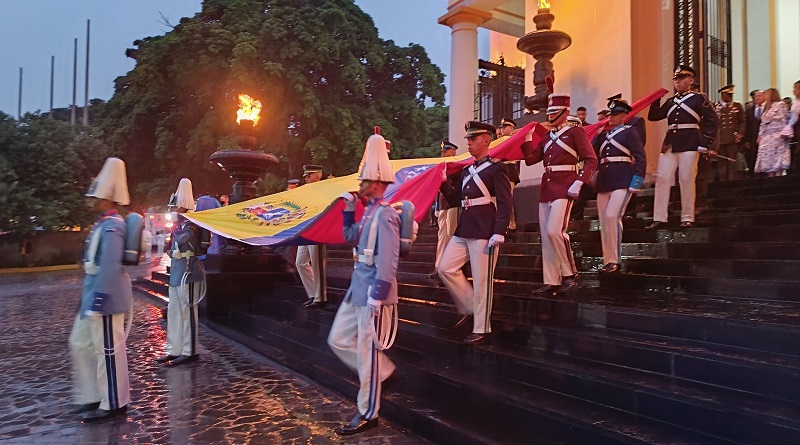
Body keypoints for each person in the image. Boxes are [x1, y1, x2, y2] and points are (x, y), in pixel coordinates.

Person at [328, 129, 399, 435]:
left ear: (377, 183)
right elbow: (349, 237)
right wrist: (347, 209)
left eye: (364, 181)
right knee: (338, 339)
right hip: (357, 286)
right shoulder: (369, 211)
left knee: (366, 352)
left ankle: (368, 412)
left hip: (372, 292)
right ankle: (382, 370)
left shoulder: (385, 215)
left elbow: (389, 260)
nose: (360, 185)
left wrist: (378, 294)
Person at [68, 157, 131, 422]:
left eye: (97, 196)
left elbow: (108, 267)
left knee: (107, 351)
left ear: (108, 198)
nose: (93, 200)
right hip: (92, 295)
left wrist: (99, 300)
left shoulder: (114, 225)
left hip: (105, 299)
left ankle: (114, 402)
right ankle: (92, 395)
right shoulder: (103, 223)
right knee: (80, 343)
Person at [438, 121, 512, 344]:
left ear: (487, 140)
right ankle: (470, 304)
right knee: (445, 268)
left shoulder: (497, 167)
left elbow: (506, 202)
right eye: (468, 139)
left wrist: (500, 230)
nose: (468, 142)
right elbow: (455, 200)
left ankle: (481, 327)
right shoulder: (466, 170)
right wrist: (443, 183)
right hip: (465, 227)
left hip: (485, 230)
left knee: (482, 281)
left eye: (473, 138)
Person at [522, 90, 597, 296]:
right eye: (549, 111)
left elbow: (591, 159)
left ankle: (570, 274)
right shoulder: (547, 136)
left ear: (565, 112)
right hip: (547, 187)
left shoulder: (575, 133)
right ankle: (551, 280)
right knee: (546, 236)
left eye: (554, 111)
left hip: (565, 185)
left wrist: (580, 181)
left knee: (556, 231)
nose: (549, 115)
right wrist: (526, 139)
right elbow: (530, 159)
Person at [647, 65, 718, 229]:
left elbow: (712, 121)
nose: (677, 82)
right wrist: (656, 98)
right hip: (670, 143)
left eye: (681, 78)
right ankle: (659, 217)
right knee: (662, 178)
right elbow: (654, 116)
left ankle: (687, 217)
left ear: (690, 80)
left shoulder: (699, 98)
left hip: (690, 142)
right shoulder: (671, 101)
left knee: (686, 179)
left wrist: (705, 143)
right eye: (675, 79)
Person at [156, 178, 206, 366]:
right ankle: (174, 349)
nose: (173, 210)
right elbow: (172, 246)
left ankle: (190, 350)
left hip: (189, 270)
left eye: (176, 206)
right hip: (177, 270)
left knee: (188, 312)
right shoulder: (179, 225)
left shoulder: (191, 224)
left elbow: (185, 239)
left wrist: (178, 223)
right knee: (175, 311)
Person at [593, 100, 646, 273]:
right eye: (610, 115)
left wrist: (637, 179)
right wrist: (596, 134)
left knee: (612, 216)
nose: (611, 118)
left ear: (624, 115)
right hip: (604, 180)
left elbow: (640, 156)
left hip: (623, 178)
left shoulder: (629, 132)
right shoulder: (602, 135)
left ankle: (615, 260)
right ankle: (607, 259)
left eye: (615, 114)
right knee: (604, 221)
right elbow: (592, 153)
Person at [296, 164, 328, 308]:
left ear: (318, 175)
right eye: (306, 176)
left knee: (317, 264)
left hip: (318, 229)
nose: (307, 179)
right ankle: (313, 294)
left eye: (309, 175)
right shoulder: (307, 190)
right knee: (300, 262)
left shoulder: (325, 189)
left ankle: (320, 297)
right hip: (307, 229)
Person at [433, 141, 460, 276]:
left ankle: (451, 265)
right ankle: (438, 266)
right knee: (442, 237)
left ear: (453, 151)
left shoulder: (457, 166)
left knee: (451, 234)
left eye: (446, 151)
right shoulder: (442, 166)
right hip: (443, 204)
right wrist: (437, 206)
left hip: (452, 203)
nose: (443, 153)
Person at [712, 85, 747, 181]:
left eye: (731, 95)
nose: (730, 97)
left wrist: (740, 134)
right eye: (728, 94)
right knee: (721, 162)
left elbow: (743, 121)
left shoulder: (737, 106)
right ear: (722, 95)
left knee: (732, 161)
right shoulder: (715, 106)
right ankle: (723, 182)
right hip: (720, 138)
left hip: (733, 137)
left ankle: (733, 181)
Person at [755, 88, 791, 177]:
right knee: (768, 162)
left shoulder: (780, 105)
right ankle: (770, 178)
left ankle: (778, 177)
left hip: (777, 136)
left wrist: (783, 133)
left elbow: (784, 119)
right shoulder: (767, 108)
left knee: (777, 160)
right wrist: (760, 135)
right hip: (767, 138)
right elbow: (763, 124)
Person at [498, 117, 521, 230]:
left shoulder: (514, 140)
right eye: (502, 127)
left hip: (509, 168)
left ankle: (511, 222)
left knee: (508, 197)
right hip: (500, 169)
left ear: (511, 127)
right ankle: (505, 222)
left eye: (505, 127)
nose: (502, 129)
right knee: (501, 197)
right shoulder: (500, 141)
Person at [745, 90, 765, 176]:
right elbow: (746, 126)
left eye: (759, 96)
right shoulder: (749, 111)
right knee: (752, 160)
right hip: (752, 140)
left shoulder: (769, 109)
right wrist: (746, 140)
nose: (757, 98)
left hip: (765, 140)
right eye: (756, 96)